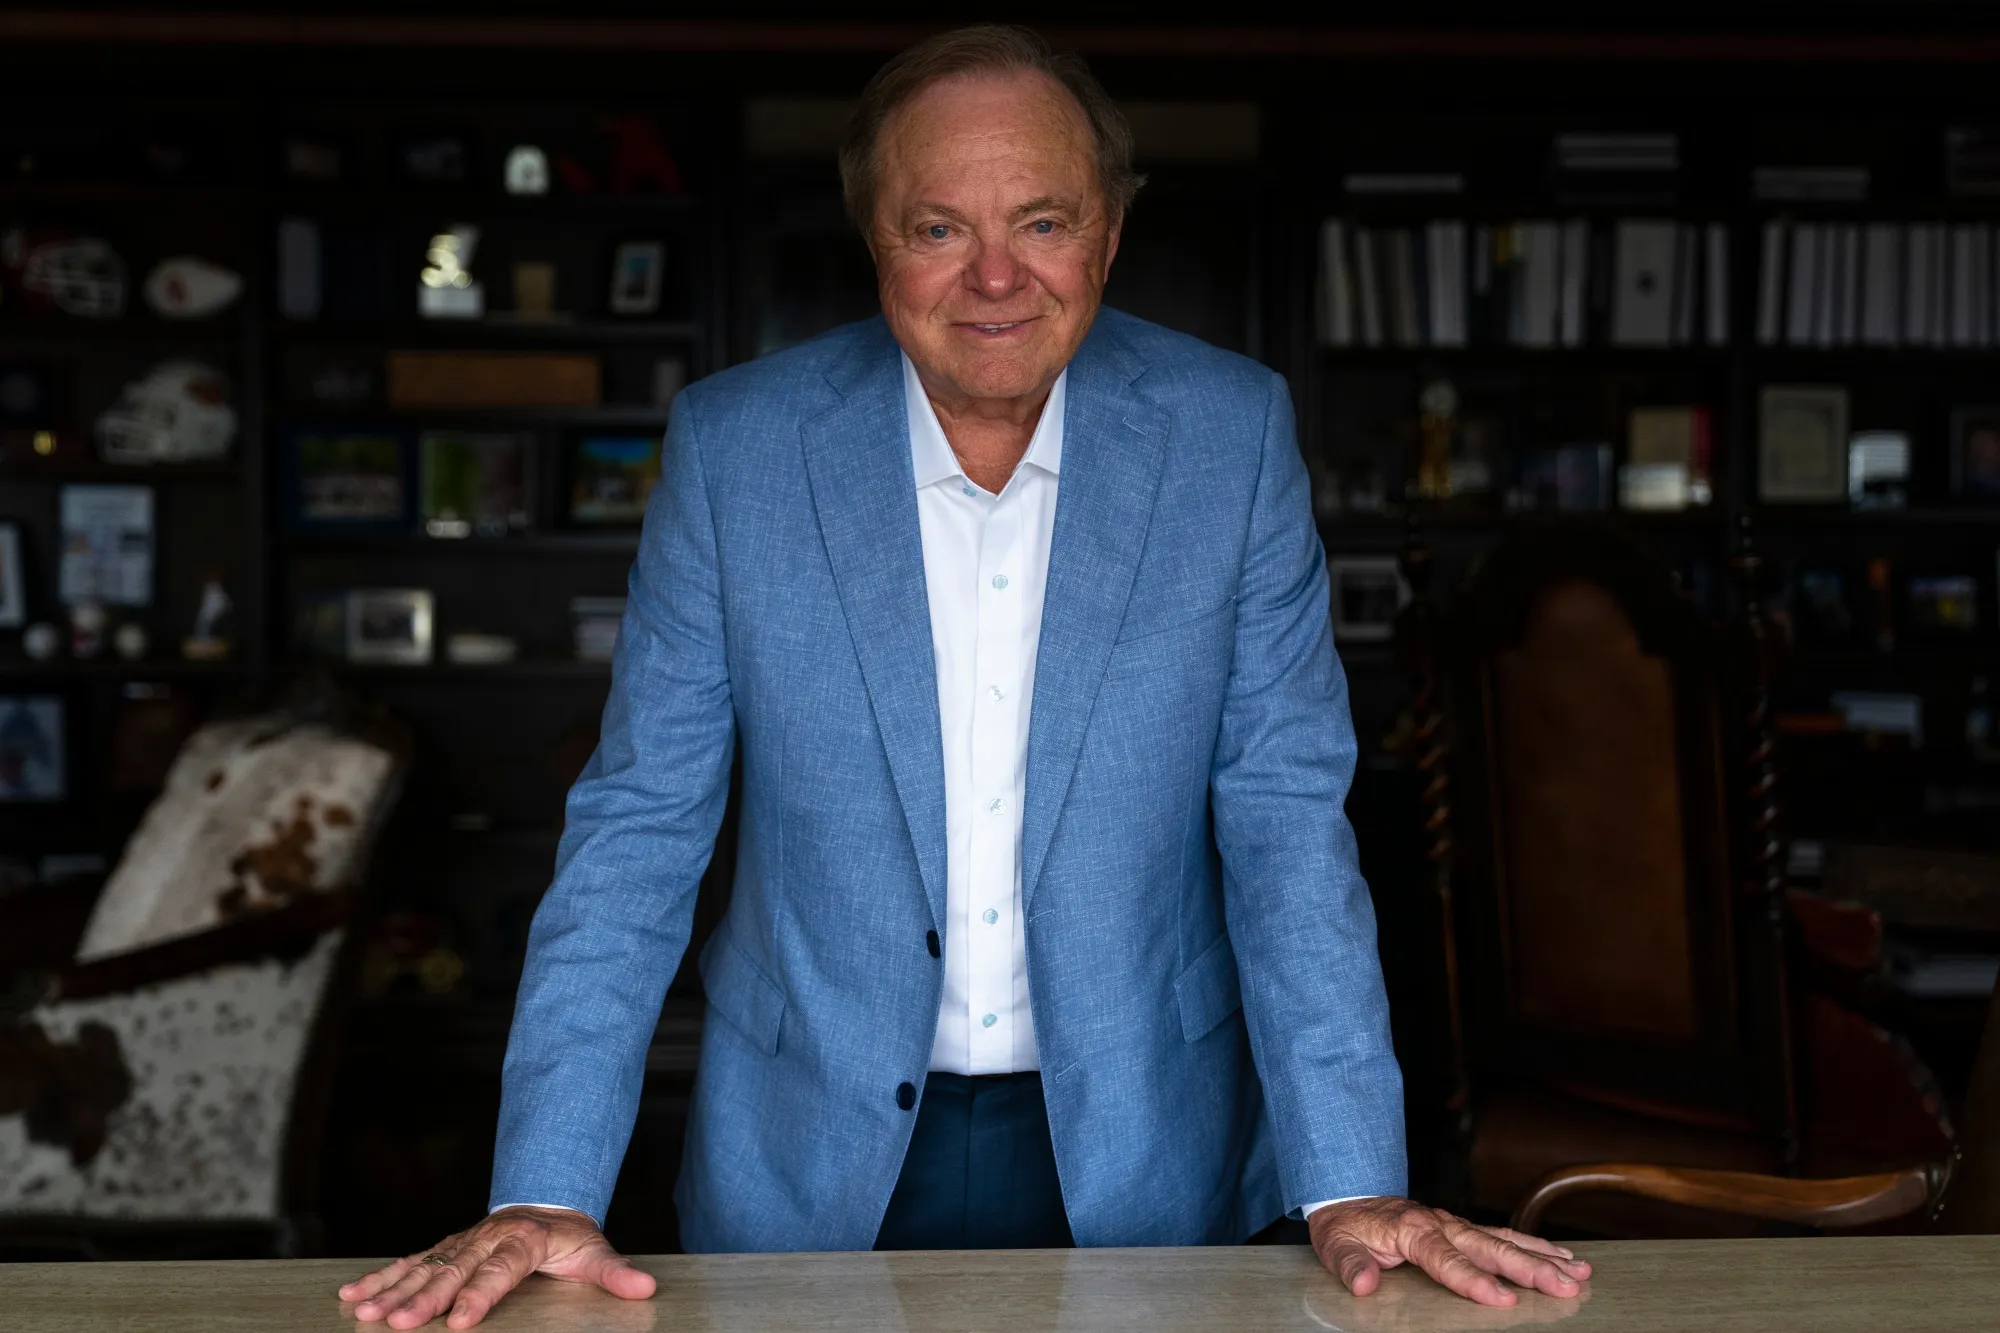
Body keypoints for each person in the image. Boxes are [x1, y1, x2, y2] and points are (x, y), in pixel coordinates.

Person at [341, 25, 1590, 1331]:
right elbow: (638, 833)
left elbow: (1284, 832)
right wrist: (545, 1187)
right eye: (938, 228)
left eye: (1043, 221)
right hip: (807, 1160)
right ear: (875, 242)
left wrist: (1347, 1181)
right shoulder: (737, 450)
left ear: (1107, 234)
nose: (996, 277)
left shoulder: (1232, 434)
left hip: (1150, 1146)